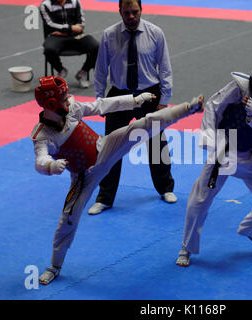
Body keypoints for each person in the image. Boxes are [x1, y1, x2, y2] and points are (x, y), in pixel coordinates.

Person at [31, 75, 204, 284]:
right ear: (51, 103)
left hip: (105, 147)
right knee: (68, 218)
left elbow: (102, 105)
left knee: (142, 125)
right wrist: (50, 166)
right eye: (64, 97)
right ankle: (55, 266)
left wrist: (135, 100)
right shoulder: (43, 135)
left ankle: (189, 108)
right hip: (84, 177)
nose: (69, 99)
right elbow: (40, 160)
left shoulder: (73, 109)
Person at [175, 51, 252, 267]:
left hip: (251, 154)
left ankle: (248, 228)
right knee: (200, 198)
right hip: (224, 151)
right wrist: (209, 139)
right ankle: (187, 247)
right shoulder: (240, 85)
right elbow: (213, 106)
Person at [89, 0, 175, 215]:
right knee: (111, 147)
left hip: (150, 94)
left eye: (134, 12)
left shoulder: (155, 33)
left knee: (157, 143)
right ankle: (105, 197)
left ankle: (165, 188)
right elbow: (100, 71)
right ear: (120, 12)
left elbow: (165, 68)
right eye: (126, 13)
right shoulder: (109, 35)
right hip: (119, 95)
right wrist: (100, 102)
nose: (131, 16)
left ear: (141, 10)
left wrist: (164, 99)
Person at [39, 0, 99, 88]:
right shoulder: (45, 5)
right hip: (56, 37)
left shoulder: (75, 2)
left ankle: (83, 72)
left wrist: (66, 31)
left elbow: (81, 24)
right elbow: (50, 24)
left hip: (76, 35)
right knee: (48, 49)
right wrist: (70, 28)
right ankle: (61, 70)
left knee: (96, 46)